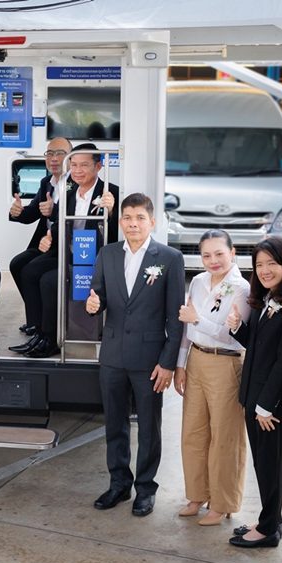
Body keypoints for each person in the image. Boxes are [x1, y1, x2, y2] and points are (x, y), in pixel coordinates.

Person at [86, 193, 184, 516]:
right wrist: (93, 305)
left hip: (149, 359)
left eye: (140, 218)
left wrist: (167, 362)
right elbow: (98, 295)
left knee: (149, 427)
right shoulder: (108, 254)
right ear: (121, 221)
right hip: (112, 355)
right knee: (114, 424)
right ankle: (118, 484)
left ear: (152, 222)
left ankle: (145, 488)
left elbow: (175, 318)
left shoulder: (169, 258)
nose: (133, 224)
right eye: (127, 218)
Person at [226, 237, 282, 549]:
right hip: (254, 396)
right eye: (259, 264)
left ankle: (270, 529)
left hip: (269, 405)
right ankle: (268, 519)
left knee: (271, 465)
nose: (264, 270)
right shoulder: (267, 299)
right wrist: (238, 328)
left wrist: (266, 405)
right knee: (263, 463)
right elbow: (259, 346)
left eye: (271, 263)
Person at [174, 230, 250, 526]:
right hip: (196, 359)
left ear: (233, 253)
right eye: (206, 255)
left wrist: (196, 319)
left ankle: (221, 503)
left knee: (225, 436)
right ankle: (197, 495)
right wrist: (181, 364)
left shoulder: (241, 288)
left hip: (226, 362)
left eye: (219, 253)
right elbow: (186, 328)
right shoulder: (197, 281)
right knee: (193, 431)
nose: (213, 260)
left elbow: (232, 335)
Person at [18, 142, 119, 358]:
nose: (77, 170)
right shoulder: (69, 190)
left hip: (93, 259)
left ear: (98, 167)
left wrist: (110, 212)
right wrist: (49, 237)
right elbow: (59, 223)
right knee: (29, 271)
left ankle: (51, 338)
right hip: (67, 252)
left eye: (84, 165)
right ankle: (38, 330)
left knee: (49, 281)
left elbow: (117, 233)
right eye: (73, 165)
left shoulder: (111, 193)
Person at [8, 137, 72, 336]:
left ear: (70, 157)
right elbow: (32, 213)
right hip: (45, 244)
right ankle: (35, 318)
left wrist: (54, 211)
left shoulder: (77, 182)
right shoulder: (46, 182)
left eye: (60, 153)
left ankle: (41, 325)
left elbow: (74, 219)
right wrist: (17, 212)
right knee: (17, 264)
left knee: (31, 270)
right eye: (49, 153)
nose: (54, 158)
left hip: (66, 245)